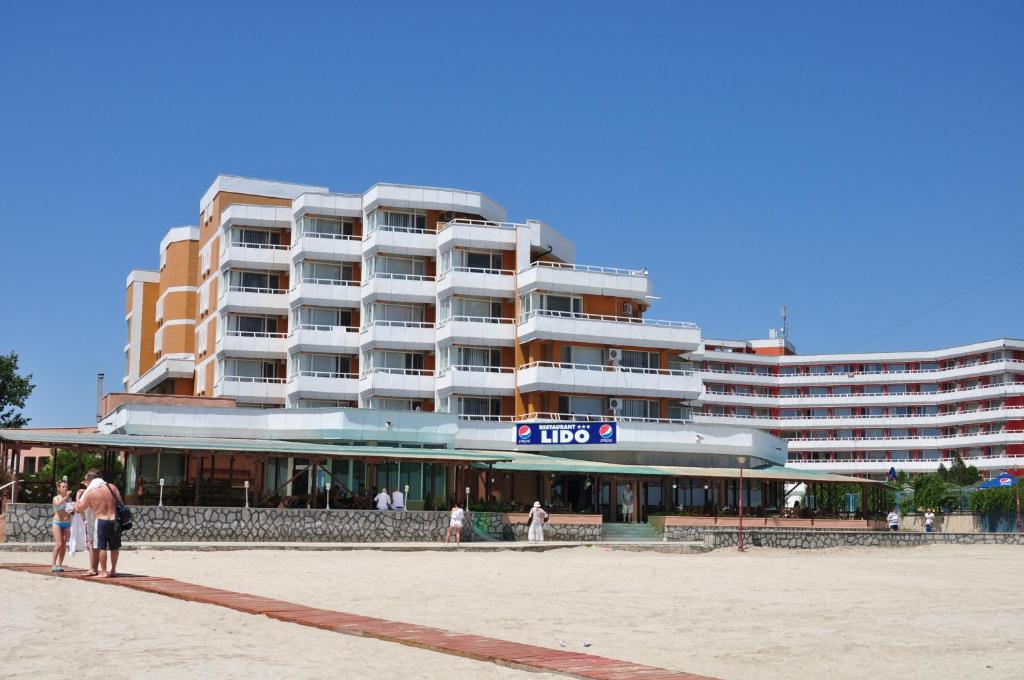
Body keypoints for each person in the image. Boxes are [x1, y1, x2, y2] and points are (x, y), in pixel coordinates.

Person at [75, 469, 124, 578]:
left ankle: (104, 571)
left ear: (90, 481)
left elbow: (79, 508)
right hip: (114, 520)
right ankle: (113, 570)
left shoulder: (91, 493)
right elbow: (120, 502)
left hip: (101, 521)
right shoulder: (112, 487)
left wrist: (78, 496)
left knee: (102, 547)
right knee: (114, 548)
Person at [50, 481, 72, 572]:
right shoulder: (56, 498)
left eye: (66, 487)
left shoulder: (69, 499)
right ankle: (53, 564)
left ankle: (59, 565)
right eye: (63, 487)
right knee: (58, 544)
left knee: (63, 545)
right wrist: (66, 497)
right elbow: (58, 504)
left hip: (67, 523)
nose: (65, 488)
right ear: (59, 488)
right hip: (57, 523)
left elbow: (69, 510)